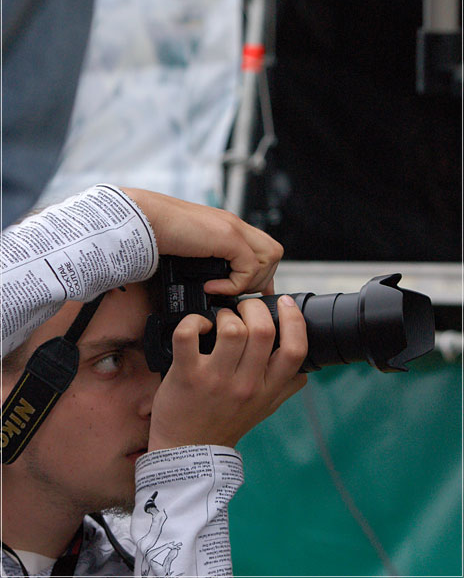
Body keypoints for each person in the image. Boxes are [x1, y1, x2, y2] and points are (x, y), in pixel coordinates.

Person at [1, 185, 308, 577]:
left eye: (162, 359)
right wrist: (134, 215)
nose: (162, 398)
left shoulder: (130, 555)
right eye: (111, 361)